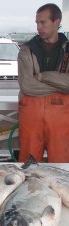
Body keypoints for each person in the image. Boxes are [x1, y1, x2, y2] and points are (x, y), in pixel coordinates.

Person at [18, 3, 69, 163]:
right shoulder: (26, 50)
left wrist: (41, 76)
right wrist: (60, 84)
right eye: (37, 23)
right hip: (31, 117)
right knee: (28, 169)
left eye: (43, 22)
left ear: (57, 21)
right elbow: (27, 85)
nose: (39, 27)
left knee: (62, 169)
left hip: (61, 121)